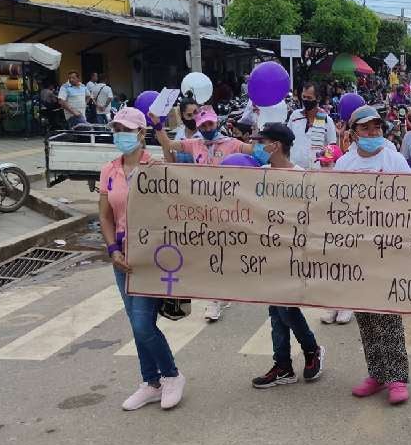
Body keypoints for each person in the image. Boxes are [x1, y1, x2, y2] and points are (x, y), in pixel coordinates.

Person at [99, 106, 186, 411]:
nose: (120, 135)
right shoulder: (109, 169)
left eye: (125, 129)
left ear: (140, 133)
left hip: (150, 256)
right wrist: (113, 250)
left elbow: (175, 210)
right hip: (121, 255)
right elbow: (105, 215)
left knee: (143, 324)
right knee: (135, 323)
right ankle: (151, 382)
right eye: (116, 129)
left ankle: (172, 375)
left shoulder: (156, 167)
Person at [336, 106, 411, 405]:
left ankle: (397, 377)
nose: (372, 134)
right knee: (365, 315)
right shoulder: (344, 164)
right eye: (366, 129)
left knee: (388, 315)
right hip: (356, 252)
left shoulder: (393, 159)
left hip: (388, 250)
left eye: (377, 128)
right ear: (353, 132)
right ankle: (377, 374)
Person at [244, 122, 327, 388]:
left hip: (293, 256)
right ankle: (283, 365)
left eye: (261, 142)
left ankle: (310, 349)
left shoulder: (302, 177)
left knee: (285, 310)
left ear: (275, 145)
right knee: (276, 312)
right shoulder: (259, 173)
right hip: (267, 255)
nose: (257, 146)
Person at [153, 106, 246, 321]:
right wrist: (157, 123)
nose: (207, 128)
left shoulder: (231, 144)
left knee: (224, 251)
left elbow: (255, 153)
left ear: (216, 123)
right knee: (209, 252)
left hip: (228, 209)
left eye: (210, 124)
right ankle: (214, 299)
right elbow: (167, 144)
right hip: (202, 209)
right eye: (202, 125)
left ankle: (221, 292)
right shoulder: (194, 144)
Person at [286, 82, 335, 169]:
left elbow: (332, 147)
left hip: (316, 172)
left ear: (318, 98)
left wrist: (325, 166)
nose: (305, 100)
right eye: (304, 97)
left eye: (309, 98)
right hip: (294, 169)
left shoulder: (327, 120)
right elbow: (287, 140)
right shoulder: (295, 116)